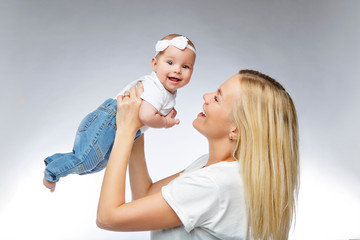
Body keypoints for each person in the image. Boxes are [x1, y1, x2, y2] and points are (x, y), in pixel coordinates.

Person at [96, 70, 300, 240]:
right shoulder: (218, 170)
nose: (206, 96)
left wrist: (125, 130)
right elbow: (145, 197)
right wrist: (139, 128)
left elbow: (108, 217)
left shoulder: (213, 184)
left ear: (236, 130)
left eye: (217, 98)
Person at [43, 34, 196, 192]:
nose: (177, 70)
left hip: (120, 128)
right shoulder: (155, 87)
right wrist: (165, 122)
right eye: (170, 62)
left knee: (95, 166)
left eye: (186, 66)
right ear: (154, 64)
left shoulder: (165, 91)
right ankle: (52, 173)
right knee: (85, 162)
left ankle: (53, 161)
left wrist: (164, 115)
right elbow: (146, 116)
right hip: (108, 121)